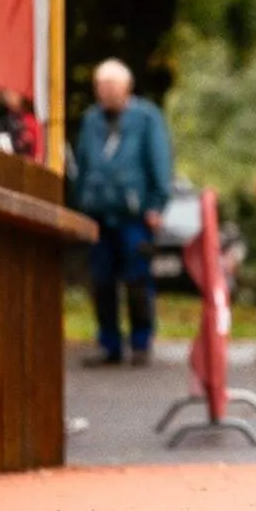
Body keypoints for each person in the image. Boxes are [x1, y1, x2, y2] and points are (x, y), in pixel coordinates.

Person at [71, 59, 173, 367]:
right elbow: (83, 164)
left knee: (137, 279)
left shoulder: (146, 118)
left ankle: (141, 342)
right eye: (101, 86)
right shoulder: (91, 121)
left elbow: (160, 160)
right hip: (99, 213)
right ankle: (109, 343)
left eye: (112, 85)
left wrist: (156, 203)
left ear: (126, 87)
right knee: (102, 281)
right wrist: (82, 203)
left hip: (135, 215)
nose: (106, 91)